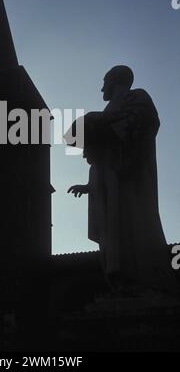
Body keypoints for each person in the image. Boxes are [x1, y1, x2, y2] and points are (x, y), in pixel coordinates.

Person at [66, 65, 177, 293]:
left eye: (104, 82)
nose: (101, 88)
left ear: (116, 80)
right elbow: (83, 142)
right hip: (109, 187)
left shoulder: (138, 97)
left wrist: (98, 120)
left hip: (131, 186)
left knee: (134, 228)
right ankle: (121, 281)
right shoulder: (108, 111)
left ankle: (143, 279)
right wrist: (89, 186)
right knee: (113, 236)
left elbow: (136, 128)